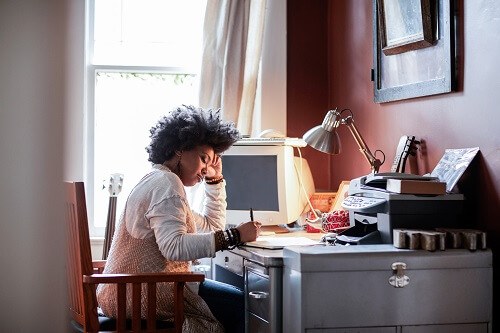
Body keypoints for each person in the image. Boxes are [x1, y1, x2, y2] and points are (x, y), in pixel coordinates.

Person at [97, 105, 261, 333]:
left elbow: (211, 227)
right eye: (204, 159)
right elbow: (174, 248)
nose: (206, 169)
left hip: (125, 293)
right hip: (142, 296)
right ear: (179, 149)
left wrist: (215, 182)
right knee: (241, 306)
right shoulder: (167, 184)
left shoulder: (156, 179)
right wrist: (236, 235)